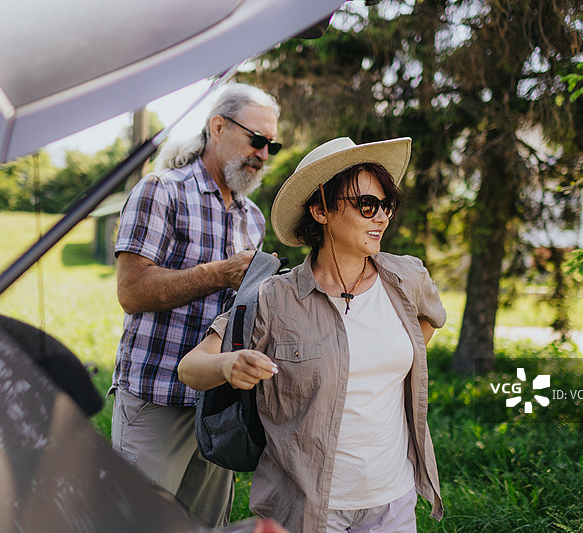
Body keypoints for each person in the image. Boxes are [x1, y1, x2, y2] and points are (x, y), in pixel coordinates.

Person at [179, 136, 447, 532]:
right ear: (320, 209)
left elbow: (428, 322)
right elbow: (191, 368)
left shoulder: (408, 278)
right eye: (367, 205)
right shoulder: (274, 298)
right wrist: (229, 363)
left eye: (386, 205)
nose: (382, 218)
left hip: (394, 499)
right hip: (308, 507)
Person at [109, 83, 281, 528]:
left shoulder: (253, 218)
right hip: (157, 400)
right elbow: (132, 292)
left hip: (217, 408)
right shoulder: (160, 191)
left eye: (272, 145)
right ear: (217, 127)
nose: (263, 153)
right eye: (256, 140)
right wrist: (220, 273)